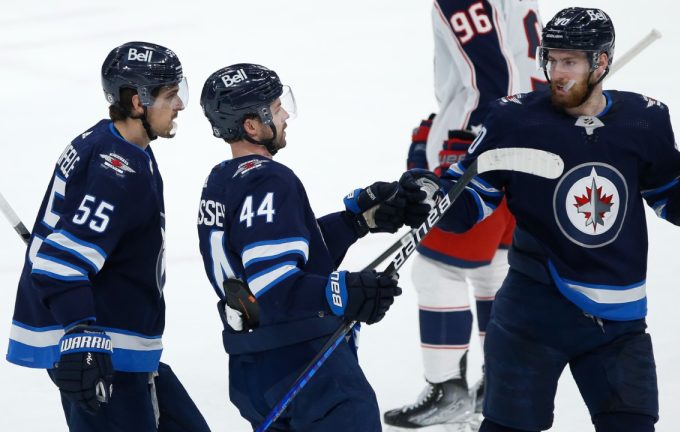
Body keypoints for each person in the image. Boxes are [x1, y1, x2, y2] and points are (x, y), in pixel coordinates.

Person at [400, 7, 680, 432]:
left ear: (601, 62)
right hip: (530, 319)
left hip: (620, 324)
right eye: (550, 59)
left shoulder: (644, 120)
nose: (556, 72)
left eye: (569, 62)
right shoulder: (514, 120)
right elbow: (468, 202)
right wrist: (429, 194)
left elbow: (675, 197)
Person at [197, 63, 415, 431]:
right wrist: (344, 291)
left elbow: (278, 254)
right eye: (277, 107)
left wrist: (355, 222)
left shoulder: (221, 179)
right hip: (307, 368)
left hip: (255, 370)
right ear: (252, 124)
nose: (285, 116)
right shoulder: (270, 179)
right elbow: (274, 285)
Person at [5, 41, 210, 431]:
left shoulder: (111, 144)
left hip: (119, 345)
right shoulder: (116, 169)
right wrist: (81, 329)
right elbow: (57, 264)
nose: (180, 105)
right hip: (101, 353)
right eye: (170, 95)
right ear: (137, 102)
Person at [384, 0, 546, 428]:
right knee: (494, 266)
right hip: (531, 144)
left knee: (438, 269)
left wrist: (465, 139)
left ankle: (448, 391)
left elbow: (492, 71)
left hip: (487, 148)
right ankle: (498, 383)